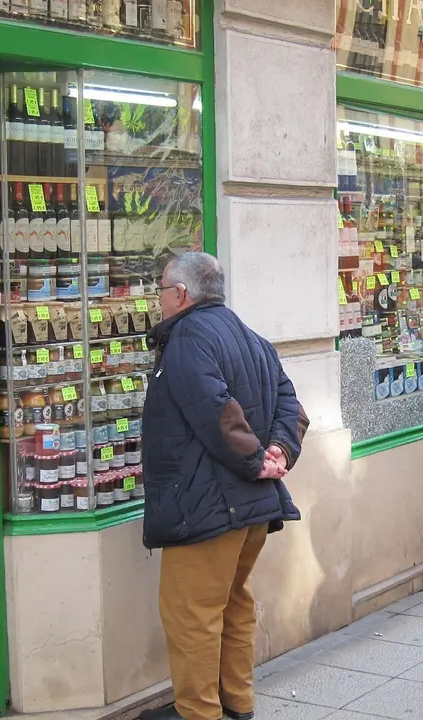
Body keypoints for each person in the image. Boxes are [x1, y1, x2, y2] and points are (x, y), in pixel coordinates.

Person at [140, 252, 310, 720]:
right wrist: (280, 452)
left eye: (160, 291)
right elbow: (290, 402)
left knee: (190, 616)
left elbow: (214, 410)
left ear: (180, 295)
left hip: (208, 507)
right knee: (233, 604)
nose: (158, 301)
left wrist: (258, 460)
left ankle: (199, 712)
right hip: (249, 507)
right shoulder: (247, 335)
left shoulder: (187, 338)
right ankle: (237, 703)